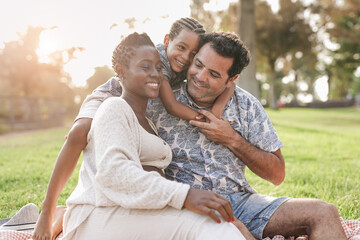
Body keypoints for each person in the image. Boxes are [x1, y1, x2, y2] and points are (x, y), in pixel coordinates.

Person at [33, 17, 249, 240]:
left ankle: (64, 214)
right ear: (167, 42)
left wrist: (217, 111)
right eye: (147, 67)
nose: (156, 73)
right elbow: (116, 171)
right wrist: (184, 195)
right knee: (81, 132)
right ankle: (50, 212)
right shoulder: (119, 97)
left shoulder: (183, 76)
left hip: (134, 208)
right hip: (102, 207)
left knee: (219, 224)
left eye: (157, 68)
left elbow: (226, 82)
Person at [146, 31, 347, 239]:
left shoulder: (246, 105)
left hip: (242, 203)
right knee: (233, 231)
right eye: (198, 64)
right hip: (189, 206)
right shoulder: (160, 97)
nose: (200, 77)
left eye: (214, 74)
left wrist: (231, 139)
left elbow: (277, 174)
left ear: (231, 80)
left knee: (324, 212)